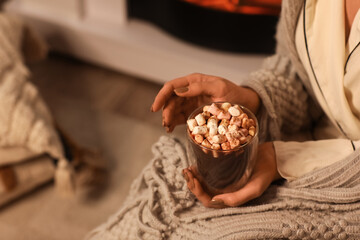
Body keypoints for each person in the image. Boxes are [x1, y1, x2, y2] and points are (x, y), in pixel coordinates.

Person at [151, 0, 360, 208]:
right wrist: (255, 98)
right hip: (289, 148)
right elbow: (301, 70)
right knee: (162, 193)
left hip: (344, 188)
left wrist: (281, 159)